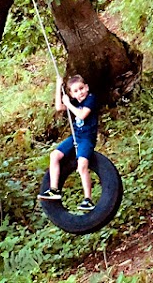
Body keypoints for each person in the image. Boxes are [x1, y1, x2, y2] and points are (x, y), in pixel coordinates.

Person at [37, 75, 98, 212]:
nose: (80, 93)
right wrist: (59, 86)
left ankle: (88, 199)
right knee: (54, 156)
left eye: (81, 89)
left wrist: (69, 104)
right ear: (71, 93)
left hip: (86, 138)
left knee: (82, 165)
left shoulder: (90, 99)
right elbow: (59, 107)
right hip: (75, 137)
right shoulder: (75, 102)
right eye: (75, 91)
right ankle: (54, 190)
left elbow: (82, 115)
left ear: (86, 87)